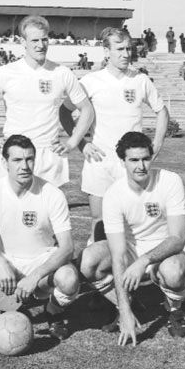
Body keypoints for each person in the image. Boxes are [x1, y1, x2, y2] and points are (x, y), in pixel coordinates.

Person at [78, 132, 185, 346]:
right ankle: (125, 305)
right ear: (123, 162)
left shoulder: (170, 181)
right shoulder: (114, 194)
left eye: (145, 158)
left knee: (174, 272)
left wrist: (144, 261)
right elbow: (118, 254)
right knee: (88, 261)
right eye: (134, 160)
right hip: (131, 251)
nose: (141, 166)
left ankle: (174, 311)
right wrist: (125, 311)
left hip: (166, 252)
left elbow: (178, 238)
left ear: (152, 157)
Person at [61, 27, 169, 245]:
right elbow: (64, 112)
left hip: (129, 163)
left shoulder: (141, 80)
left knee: (133, 218)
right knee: (98, 219)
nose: (126, 54)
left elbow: (162, 111)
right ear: (106, 51)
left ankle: (132, 263)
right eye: (119, 49)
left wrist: (156, 144)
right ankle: (99, 271)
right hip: (99, 160)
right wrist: (82, 144)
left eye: (128, 48)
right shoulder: (91, 81)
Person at [0, 135, 80, 340]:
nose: (25, 166)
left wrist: (35, 276)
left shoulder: (52, 193)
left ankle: (54, 312)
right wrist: (0, 263)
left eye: (29, 159)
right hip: (8, 262)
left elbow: (67, 248)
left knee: (69, 278)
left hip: (42, 263)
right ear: (4, 163)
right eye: (17, 160)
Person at [0, 15, 94, 187]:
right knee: (7, 210)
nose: (40, 45)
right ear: (23, 41)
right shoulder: (5, 73)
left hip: (48, 153)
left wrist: (73, 142)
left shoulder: (61, 73)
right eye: (34, 40)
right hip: (13, 150)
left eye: (44, 39)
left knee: (47, 212)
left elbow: (87, 110)